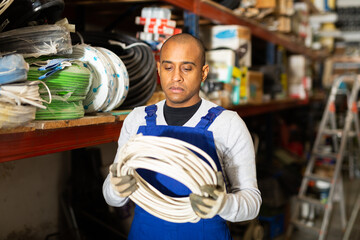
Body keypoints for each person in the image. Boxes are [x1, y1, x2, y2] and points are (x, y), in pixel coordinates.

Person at [103, 33, 261, 240]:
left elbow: (252, 201)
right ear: (159, 69)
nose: (176, 76)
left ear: (204, 73)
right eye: (168, 67)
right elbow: (111, 194)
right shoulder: (138, 119)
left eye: (187, 68)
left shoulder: (228, 124)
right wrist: (115, 190)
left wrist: (223, 204)